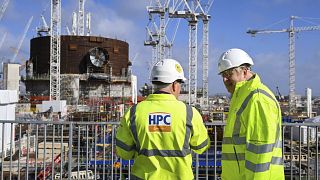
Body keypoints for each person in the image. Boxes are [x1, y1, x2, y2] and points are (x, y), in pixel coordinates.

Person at [116, 58, 210, 179]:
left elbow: (124, 152)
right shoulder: (189, 113)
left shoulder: (133, 112)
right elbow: (201, 146)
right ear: (175, 85)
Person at [217, 48, 284, 179]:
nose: (225, 79)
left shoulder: (257, 98)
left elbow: (260, 152)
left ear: (245, 71)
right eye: (222, 75)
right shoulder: (240, 96)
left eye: (229, 74)